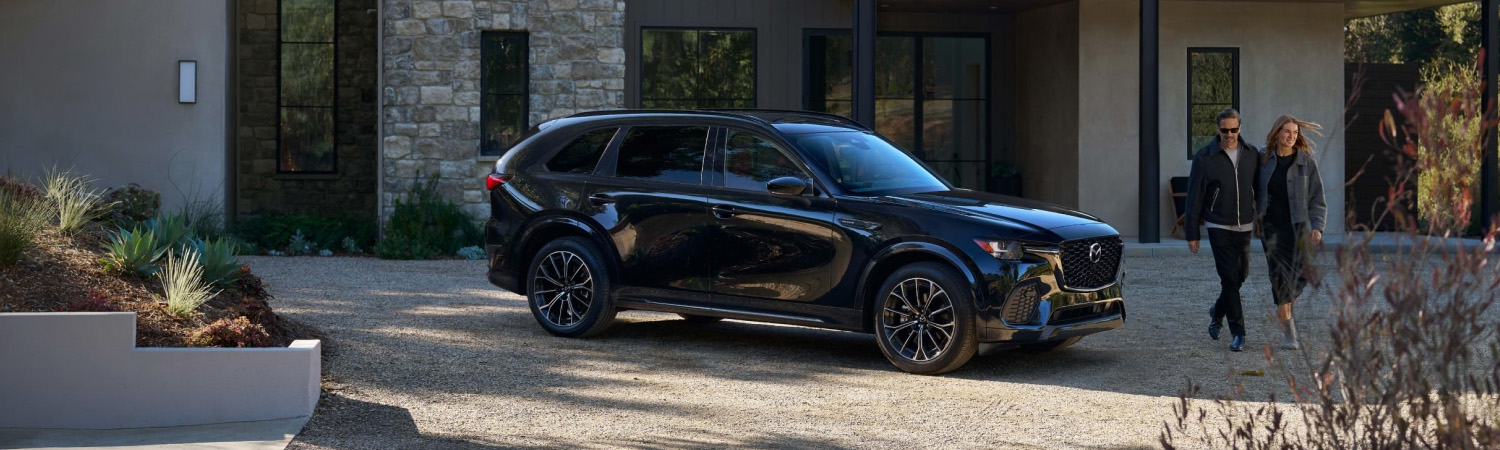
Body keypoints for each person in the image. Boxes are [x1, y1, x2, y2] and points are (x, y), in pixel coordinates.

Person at [1185, 108, 1261, 352]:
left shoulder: (1251, 155)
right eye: (1225, 130)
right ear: (1217, 130)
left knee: (1240, 276)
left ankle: (1217, 311)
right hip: (1218, 225)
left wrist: (1261, 217)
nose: (1229, 134)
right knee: (1229, 278)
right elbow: (1194, 197)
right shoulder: (1204, 157)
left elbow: (1259, 189)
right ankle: (1238, 333)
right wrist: (1192, 234)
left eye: (1234, 129)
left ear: (1240, 128)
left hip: (1245, 225)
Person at [1256, 115, 1326, 350]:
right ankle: (1289, 333)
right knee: (1279, 278)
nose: (1291, 136)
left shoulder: (1306, 162)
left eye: (1295, 133)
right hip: (1271, 229)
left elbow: (1317, 198)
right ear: (1277, 133)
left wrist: (1318, 227)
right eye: (1287, 132)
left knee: (1304, 274)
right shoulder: (1263, 159)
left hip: (1298, 227)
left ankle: (1284, 310)